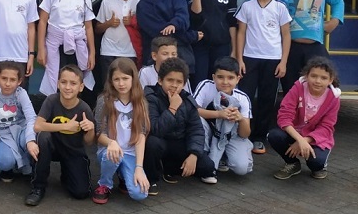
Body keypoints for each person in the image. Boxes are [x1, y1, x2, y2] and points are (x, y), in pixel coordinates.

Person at [235, 0, 292, 155]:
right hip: (250, 58)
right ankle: (243, 136)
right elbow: (240, 33)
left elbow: (286, 36)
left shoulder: (280, 8)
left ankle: (259, 137)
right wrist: (239, 59)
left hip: (273, 60)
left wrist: (283, 61)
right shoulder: (247, 7)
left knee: (267, 98)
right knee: (245, 97)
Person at [273, 0, 344, 94]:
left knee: (322, 89)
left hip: (316, 47)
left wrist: (334, 21)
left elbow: (338, 2)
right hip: (289, 48)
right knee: (291, 91)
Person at [26, 65, 96, 206]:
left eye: (73, 83)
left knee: (81, 193)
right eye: (63, 82)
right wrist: (65, 126)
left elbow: (88, 142)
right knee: (43, 137)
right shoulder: (52, 100)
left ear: (81, 87)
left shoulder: (84, 108)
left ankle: (68, 173)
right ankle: (38, 187)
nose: (68, 87)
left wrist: (90, 129)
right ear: (58, 84)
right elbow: (38, 126)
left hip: (73, 151)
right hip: (53, 148)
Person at [144, 58, 216, 187]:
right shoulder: (151, 97)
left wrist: (194, 154)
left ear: (184, 83)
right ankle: (151, 179)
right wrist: (172, 108)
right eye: (170, 80)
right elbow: (155, 129)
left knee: (208, 167)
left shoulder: (187, 100)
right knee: (152, 143)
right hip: (161, 142)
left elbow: (196, 130)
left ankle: (170, 168)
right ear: (160, 80)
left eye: (179, 82)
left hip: (179, 143)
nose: (174, 85)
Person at [269, 57, 341, 180]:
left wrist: (304, 141)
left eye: (323, 78)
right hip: (295, 132)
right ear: (307, 76)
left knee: (316, 163)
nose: (318, 81)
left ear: (330, 80)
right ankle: (292, 163)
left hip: (314, 137)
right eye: (314, 76)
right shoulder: (298, 88)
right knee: (274, 135)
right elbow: (284, 116)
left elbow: (326, 127)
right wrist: (299, 140)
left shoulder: (333, 98)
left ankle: (320, 165)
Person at [92, 58, 150, 204]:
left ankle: (125, 175)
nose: (121, 83)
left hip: (130, 153)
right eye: (116, 79)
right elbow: (99, 134)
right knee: (112, 155)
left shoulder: (140, 103)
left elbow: (141, 136)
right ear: (111, 81)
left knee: (140, 194)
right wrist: (111, 143)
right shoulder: (104, 101)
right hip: (110, 151)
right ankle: (104, 184)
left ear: (133, 78)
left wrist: (139, 167)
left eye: (125, 78)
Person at [37, 0, 96, 96]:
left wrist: (92, 53)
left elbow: (88, 27)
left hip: (77, 47)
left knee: (76, 79)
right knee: (57, 79)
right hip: (55, 45)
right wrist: (40, 49)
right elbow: (42, 21)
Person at [192, 56, 253, 176]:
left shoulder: (243, 98)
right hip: (208, 129)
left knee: (241, 169)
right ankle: (203, 157)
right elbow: (192, 111)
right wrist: (219, 114)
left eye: (231, 78)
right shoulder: (205, 85)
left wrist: (240, 119)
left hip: (232, 134)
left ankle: (232, 153)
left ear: (238, 79)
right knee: (197, 120)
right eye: (220, 77)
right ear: (214, 77)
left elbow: (245, 133)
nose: (225, 82)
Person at [136, 0, 199, 75]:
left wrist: (174, 24)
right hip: (157, 59)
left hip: (182, 56)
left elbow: (184, 16)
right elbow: (158, 32)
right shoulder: (142, 6)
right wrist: (189, 36)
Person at [187, 0, 238, 83]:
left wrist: (234, 50)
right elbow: (195, 15)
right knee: (199, 80)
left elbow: (232, 23)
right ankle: (198, 104)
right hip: (200, 44)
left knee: (219, 81)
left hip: (221, 44)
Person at [94, 0, 141, 92]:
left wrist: (132, 22)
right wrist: (108, 23)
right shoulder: (107, 2)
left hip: (130, 52)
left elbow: (145, 30)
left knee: (128, 88)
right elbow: (97, 29)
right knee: (108, 87)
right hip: (108, 51)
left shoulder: (139, 4)